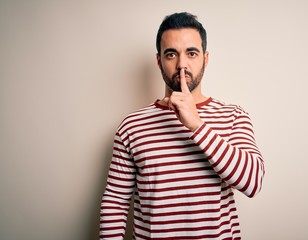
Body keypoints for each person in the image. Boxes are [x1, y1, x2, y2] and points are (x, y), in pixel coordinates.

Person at [100, 12, 265, 240]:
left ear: (205, 59)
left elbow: (253, 182)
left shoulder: (233, 116)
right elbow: (115, 203)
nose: (181, 64)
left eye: (191, 53)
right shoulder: (131, 126)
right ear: (159, 60)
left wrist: (196, 124)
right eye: (171, 54)